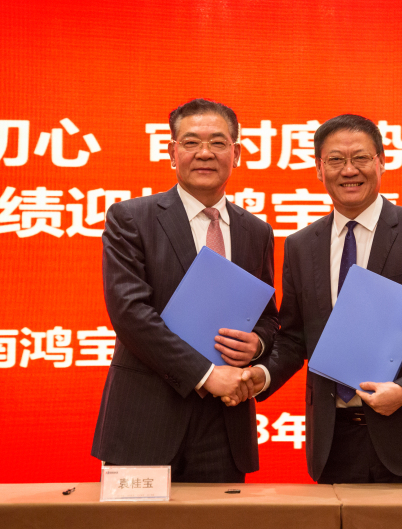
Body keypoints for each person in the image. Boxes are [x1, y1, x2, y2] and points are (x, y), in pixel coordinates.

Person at [237, 114, 402, 483]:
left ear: (381, 161)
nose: (349, 170)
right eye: (335, 160)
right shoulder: (301, 245)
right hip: (334, 442)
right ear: (319, 169)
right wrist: (261, 376)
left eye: (360, 158)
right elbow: (294, 337)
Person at [92, 98, 278, 483]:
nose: (205, 153)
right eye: (191, 142)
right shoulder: (131, 218)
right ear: (172, 152)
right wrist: (206, 374)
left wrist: (257, 344)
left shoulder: (256, 231)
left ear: (236, 153)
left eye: (218, 143)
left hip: (224, 425)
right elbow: (130, 314)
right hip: (145, 420)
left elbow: (267, 317)